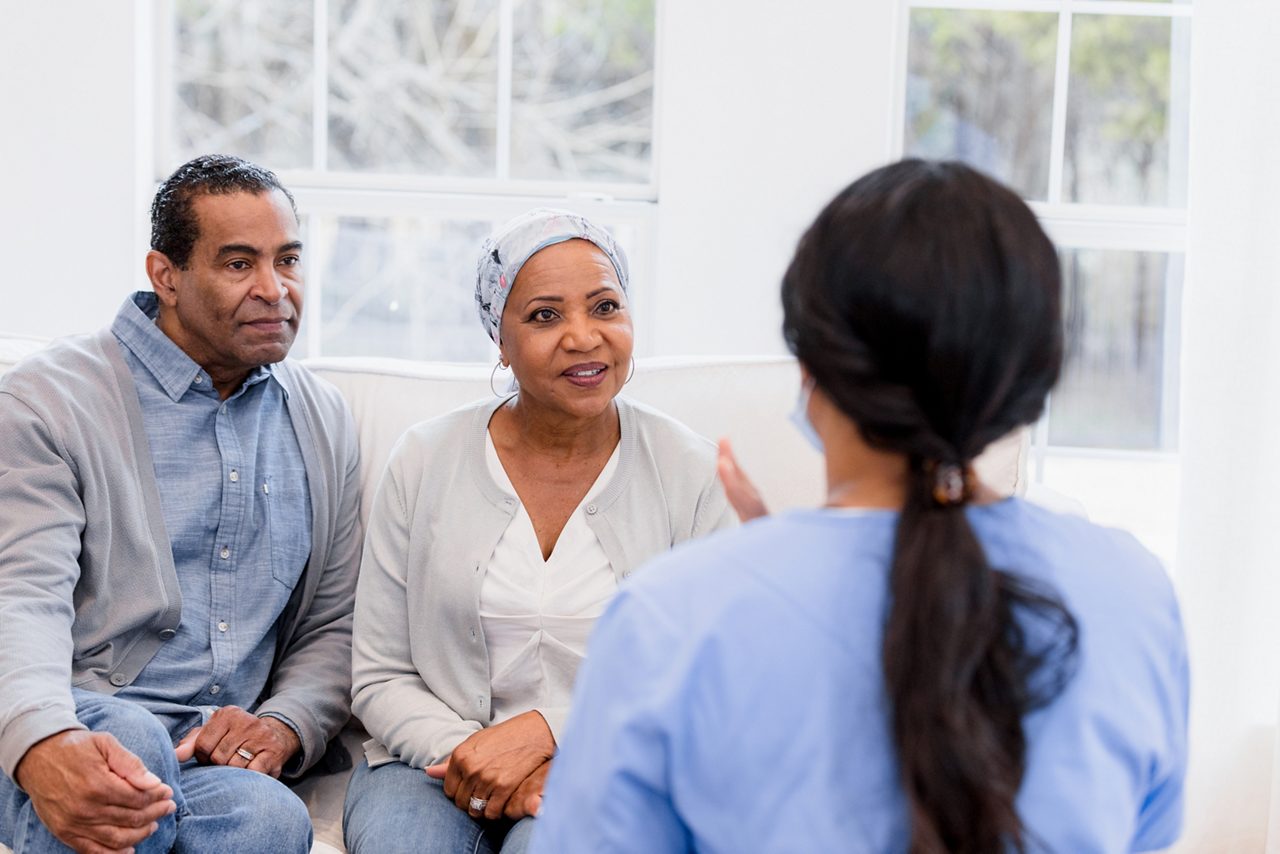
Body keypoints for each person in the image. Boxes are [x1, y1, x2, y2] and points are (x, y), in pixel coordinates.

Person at [530, 160, 1189, 852]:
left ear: (812, 362)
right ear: (1035, 371)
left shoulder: (671, 619)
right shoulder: (1134, 592)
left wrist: (755, 571)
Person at [342, 208, 736, 854]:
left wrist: (551, 732)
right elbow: (381, 673)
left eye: (605, 307)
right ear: (500, 340)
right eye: (545, 316)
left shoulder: (689, 469)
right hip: (425, 762)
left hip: (614, 762)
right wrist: (479, 757)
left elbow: (711, 676)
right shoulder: (423, 458)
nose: (583, 337)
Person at [0, 154, 363, 854]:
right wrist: (43, 740)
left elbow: (332, 624)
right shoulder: (48, 401)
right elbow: (21, 599)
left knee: (270, 819)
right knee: (127, 741)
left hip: (204, 761)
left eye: (288, 259)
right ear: (165, 276)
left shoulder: (324, 419)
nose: (275, 289)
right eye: (238, 265)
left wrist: (283, 724)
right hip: (65, 716)